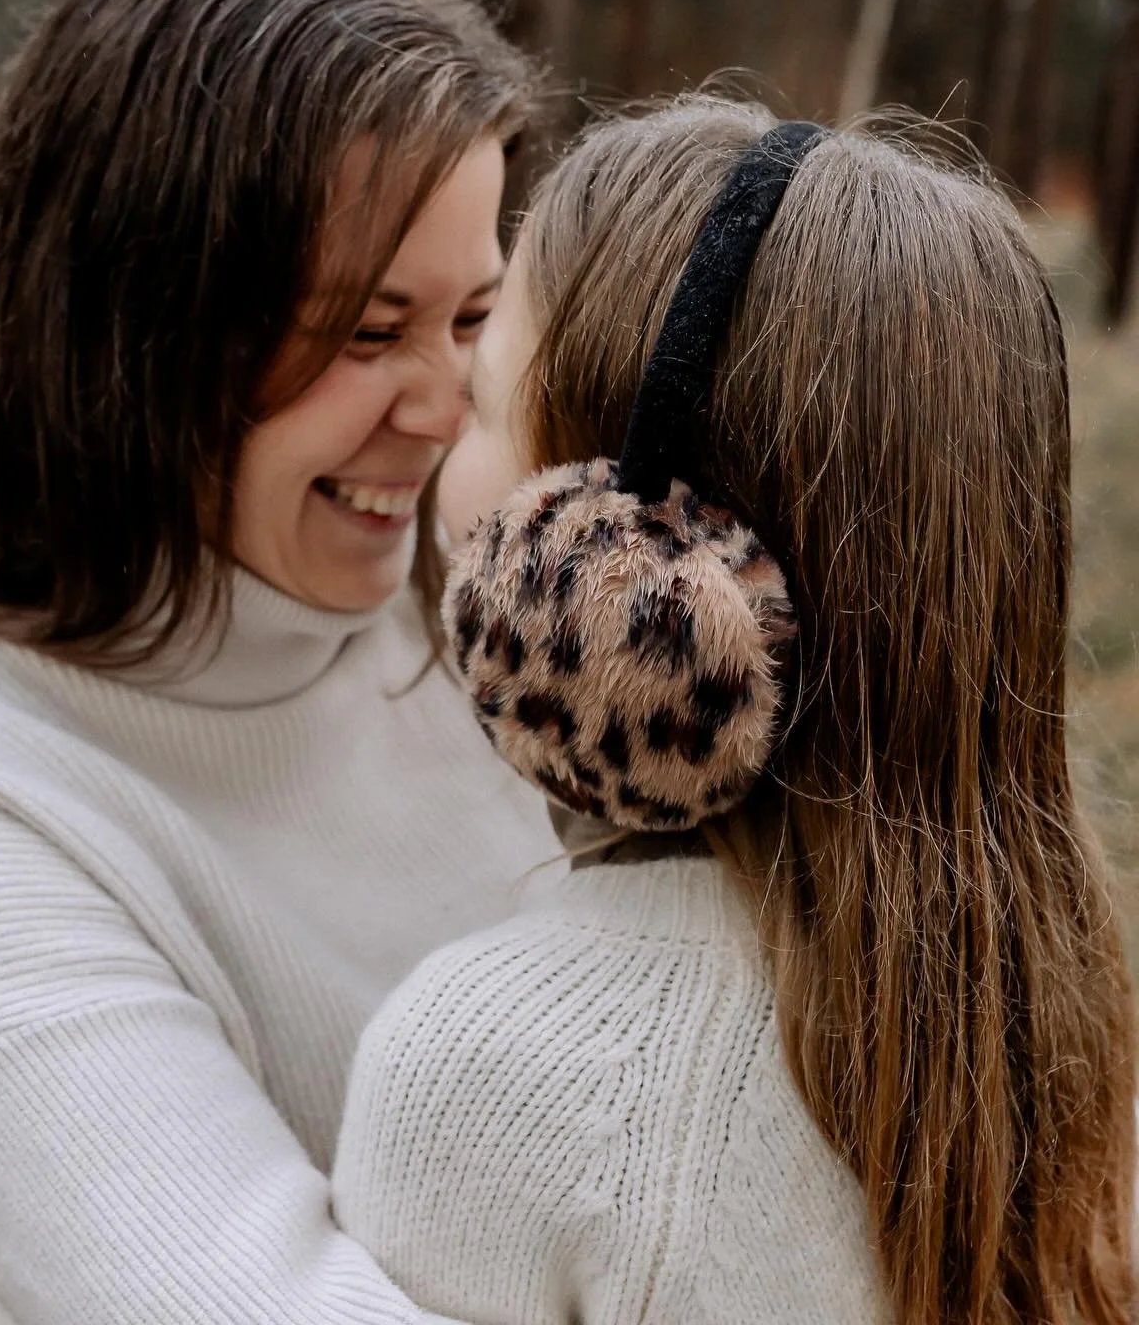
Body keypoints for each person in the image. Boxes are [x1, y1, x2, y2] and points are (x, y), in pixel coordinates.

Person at [0, 0, 554, 1325]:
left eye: (472, 323)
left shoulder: (509, 603)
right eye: (368, 333)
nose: (447, 414)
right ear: (133, 329)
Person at [333, 95, 1138, 1324]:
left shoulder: (482, 1072)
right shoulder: (1078, 1057)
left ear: (625, 576)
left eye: (488, 396)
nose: (436, 419)